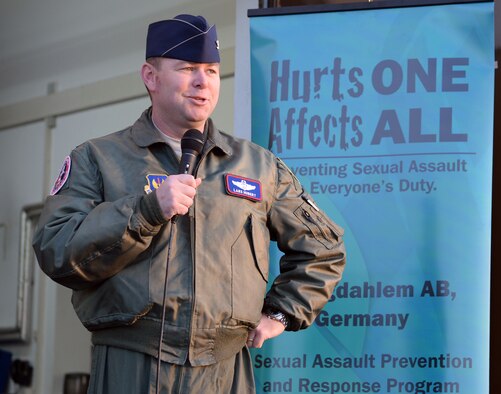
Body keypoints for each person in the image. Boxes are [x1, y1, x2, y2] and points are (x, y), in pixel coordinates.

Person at [32, 14, 346, 394]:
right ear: (151, 76)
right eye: (187, 69)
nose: (203, 82)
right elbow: (57, 249)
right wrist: (146, 211)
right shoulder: (98, 158)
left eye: (212, 71)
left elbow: (324, 248)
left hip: (224, 370)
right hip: (131, 364)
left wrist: (281, 312)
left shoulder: (257, 165)